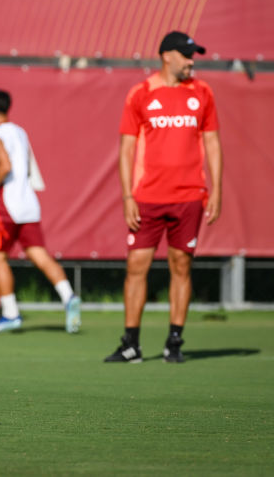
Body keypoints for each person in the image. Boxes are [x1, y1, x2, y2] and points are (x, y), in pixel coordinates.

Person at [105, 31, 222, 364]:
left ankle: (174, 341)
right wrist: (127, 196)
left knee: (181, 266)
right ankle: (131, 344)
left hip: (189, 196)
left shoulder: (202, 92)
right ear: (167, 55)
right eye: (186, 55)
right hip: (148, 197)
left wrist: (217, 190)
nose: (191, 61)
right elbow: (127, 148)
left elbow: (212, 142)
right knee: (136, 266)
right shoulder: (140, 94)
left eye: (193, 56)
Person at [0, 89, 81, 334]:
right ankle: (68, 297)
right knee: (39, 255)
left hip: (6, 208)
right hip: (28, 204)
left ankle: (10, 313)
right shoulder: (20, 132)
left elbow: (6, 166)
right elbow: (24, 170)